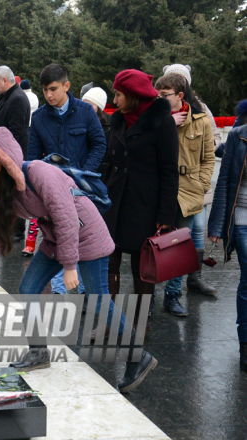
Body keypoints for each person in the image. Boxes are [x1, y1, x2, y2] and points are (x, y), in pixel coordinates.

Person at [0, 126, 158, 392]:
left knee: (99, 301)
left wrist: (69, 266)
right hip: (56, 241)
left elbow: (66, 219)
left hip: (86, 235)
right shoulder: (10, 190)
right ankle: (38, 352)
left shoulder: (40, 173)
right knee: (28, 288)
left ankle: (138, 357)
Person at [103, 69, 179, 336]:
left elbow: (170, 171)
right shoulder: (118, 122)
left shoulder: (162, 123)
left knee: (142, 269)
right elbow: (108, 163)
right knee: (108, 263)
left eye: (119, 94)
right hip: (113, 204)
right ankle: (109, 321)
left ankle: (140, 322)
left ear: (133, 96)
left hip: (144, 206)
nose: (115, 99)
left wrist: (166, 215)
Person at [153, 74, 216, 311]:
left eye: (164, 95)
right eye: (157, 94)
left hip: (188, 190)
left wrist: (201, 185)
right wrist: (167, 123)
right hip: (158, 187)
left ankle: (172, 295)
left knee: (180, 243)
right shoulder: (155, 118)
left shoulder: (201, 121)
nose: (159, 99)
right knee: (151, 241)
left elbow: (208, 157)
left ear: (179, 96)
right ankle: (147, 296)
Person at [49, 86, 109, 297]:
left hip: (89, 190)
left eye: (91, 104)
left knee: (85, 240)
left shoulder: (104, 128)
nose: (86, 107)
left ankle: (83, 289)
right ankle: (58, 290)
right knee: (61, 237)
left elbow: (102, 154)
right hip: (66, 186)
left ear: (99, 108)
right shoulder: (71, 119)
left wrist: (85, 174)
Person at [207, 120, 247, 373]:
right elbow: (224, 182)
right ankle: (245, 343)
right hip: (242, 217)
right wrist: (216, 226)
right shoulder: (238, 136)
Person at [0, 66, 31, 244]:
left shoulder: (17, 99)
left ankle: (16, 231)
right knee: (6, 192)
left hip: (12, 156)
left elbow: (15, 132)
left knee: (14, 192)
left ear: (4, 80)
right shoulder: (9, 96)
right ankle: (8, 227)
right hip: (4, 154)